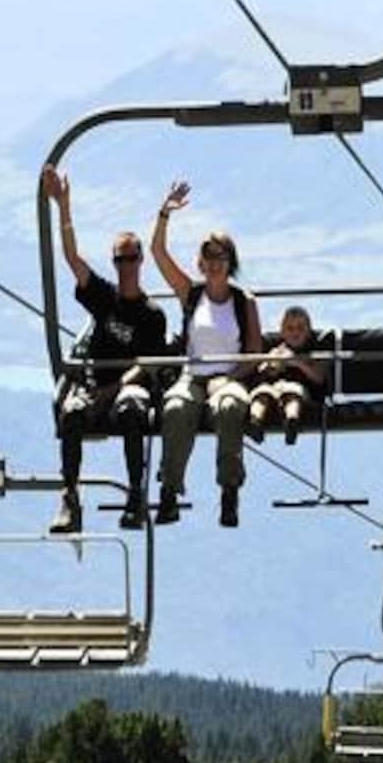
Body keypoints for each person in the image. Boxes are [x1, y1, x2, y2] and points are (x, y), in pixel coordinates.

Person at [41, 164, 162, 534]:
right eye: (119, 260)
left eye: (131, 258)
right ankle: (70, 496)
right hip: (96, 383)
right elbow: (73, 259)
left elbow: (146, 364)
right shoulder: (104, 297)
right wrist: (63, 207)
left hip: (127, 385)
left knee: (131, 409)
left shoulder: (152, 315)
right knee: (72, 412)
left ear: (140, 260)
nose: (125, 266)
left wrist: (111, 389)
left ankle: (135, 495)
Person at [152, 181, 261, 528]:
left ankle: (229, 490)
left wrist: (232, 377)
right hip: (193, 375)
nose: (214, 264)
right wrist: (165, 214)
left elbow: (254, 352)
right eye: (209, 257)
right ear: (201, 263)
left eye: (221, 257)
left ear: (230, 263)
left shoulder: (244, 301)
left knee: (230, 407)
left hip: (229, 375)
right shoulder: (191, 294)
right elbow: (158, 254)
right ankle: (169, 490)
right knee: (175, 408)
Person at [247, 305, 325, 446]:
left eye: (300, 328)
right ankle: (255, 420)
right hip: (271, 388)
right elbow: (258, 372)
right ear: (282, 332)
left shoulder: (313, 351)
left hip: (297, 389)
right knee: (261, 394)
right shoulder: (274, 348)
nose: (295, 333)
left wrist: (296, 362)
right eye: (290, 328)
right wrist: (268, 363)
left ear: (308, 331)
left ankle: (291, 421)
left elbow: (319, 378)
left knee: (293, 393)